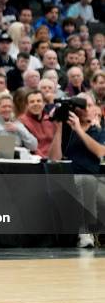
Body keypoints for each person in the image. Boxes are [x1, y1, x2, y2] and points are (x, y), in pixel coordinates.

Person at [49, 93, 105, 248]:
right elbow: (54, 158)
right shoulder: (66, 128)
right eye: (79, 106)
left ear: (93, 108)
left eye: (86, 105)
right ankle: (86, 231)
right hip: (69, 176)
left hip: (95, 177)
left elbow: (101, 151)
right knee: (87, 181)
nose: (82, 109)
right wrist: (59, 129)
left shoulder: (98, 129)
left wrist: (79, 129)